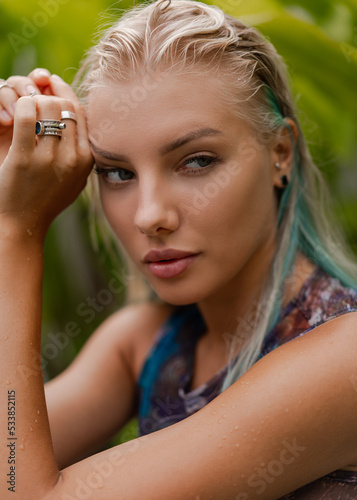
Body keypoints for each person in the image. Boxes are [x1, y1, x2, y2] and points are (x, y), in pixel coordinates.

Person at [1, 0, 357, 498]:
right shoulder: (143, 345)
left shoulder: (344, 356)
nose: (149, 216)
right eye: (118, 172)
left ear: (281, 153)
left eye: (197, 161)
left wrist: (17, 231)